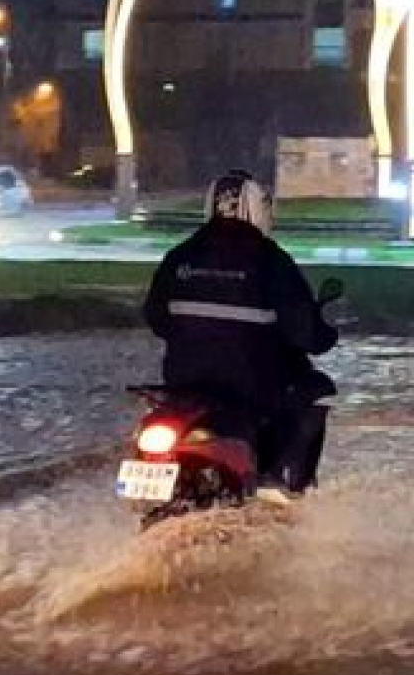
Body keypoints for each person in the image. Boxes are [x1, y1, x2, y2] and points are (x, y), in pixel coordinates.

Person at [142, 170, 339, 500]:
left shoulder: (180, 256)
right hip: (250, 390)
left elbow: (156, 318)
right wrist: (324, 334)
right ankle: (284, 483)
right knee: (315, 389)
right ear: (258, 207)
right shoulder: (270, 261)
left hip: (184, 388)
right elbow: (305, 333)